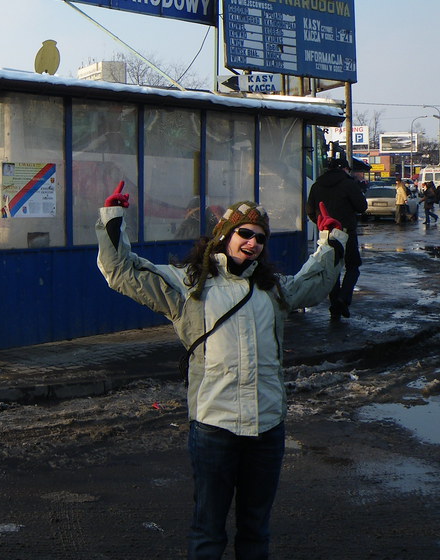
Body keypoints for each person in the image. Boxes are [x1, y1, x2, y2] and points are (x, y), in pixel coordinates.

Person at [96, 183, 347, 560]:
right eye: (245, 234)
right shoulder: (189, 286)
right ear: (224, 236)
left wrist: (331, 238)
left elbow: (317, 282)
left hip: (267, 429)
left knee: (255, 530)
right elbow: (122, 272)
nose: (253, 243)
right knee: (208, 531)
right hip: (215, 427)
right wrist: (113, 219)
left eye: (260, 238)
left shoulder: (273, 289)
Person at [306, 156, 367, 319]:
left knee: (332, 269)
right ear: (345, 169)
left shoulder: (317, 185)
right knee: (353, 266)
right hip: (346, 232)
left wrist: (323, 224)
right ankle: (343, 299)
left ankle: (335, 304)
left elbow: (310, 211)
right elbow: (362, 207)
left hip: (326, 233)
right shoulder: (348, 184)